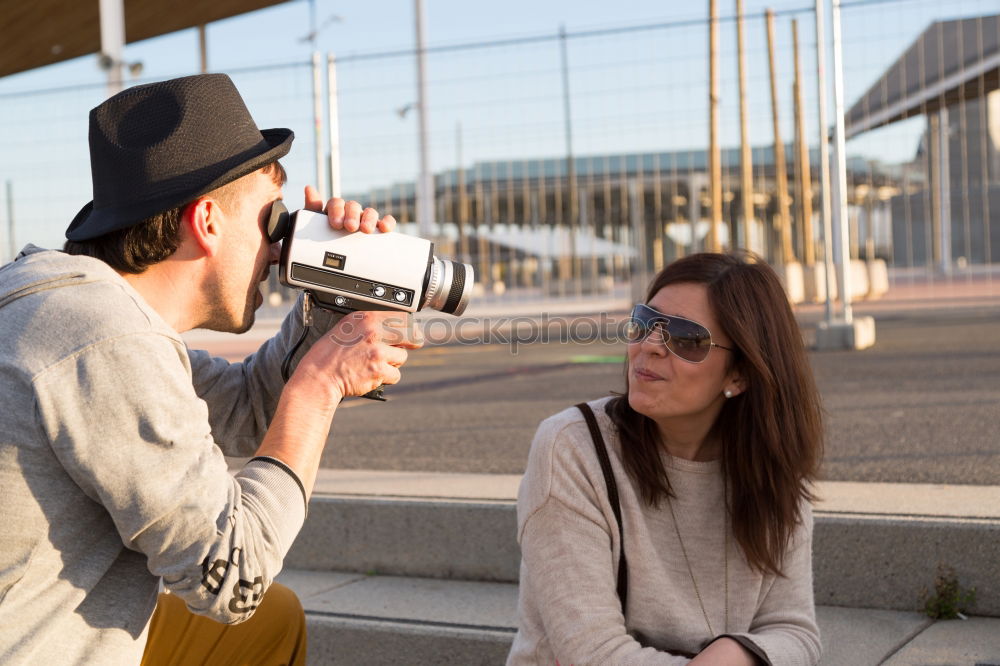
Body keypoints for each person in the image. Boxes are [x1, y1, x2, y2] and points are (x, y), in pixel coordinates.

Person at [0, 73, 421, 664]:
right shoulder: (102, 339)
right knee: (257, 611)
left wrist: (331, 305)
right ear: (206, 221)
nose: (280, 247)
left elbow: (246, 409)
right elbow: (235, 579)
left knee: (274, 623)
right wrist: (321, 384)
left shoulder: (69, 304)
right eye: (271, 220)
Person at [508, 251, 823, 665]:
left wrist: (736, 654)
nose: (650, 346)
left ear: (739, 375)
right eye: (645, 322)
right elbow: (592, 654)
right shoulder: (573, 446)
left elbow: (795, 629)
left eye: (687, 339)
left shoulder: (769, 471)